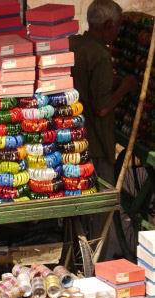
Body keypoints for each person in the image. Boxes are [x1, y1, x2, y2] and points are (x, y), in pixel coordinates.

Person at [69, 0, 138, 241]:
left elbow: (87, 84)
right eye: (117, 27)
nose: (118, 33)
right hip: (95, 142)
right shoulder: (100, 54)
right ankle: (97, 258)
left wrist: (114, 82)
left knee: (82, 203)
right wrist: (125, 87)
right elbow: (102, 107)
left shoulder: (76, 43)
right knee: (102, 207)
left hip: (76, 137)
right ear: (107, 24)